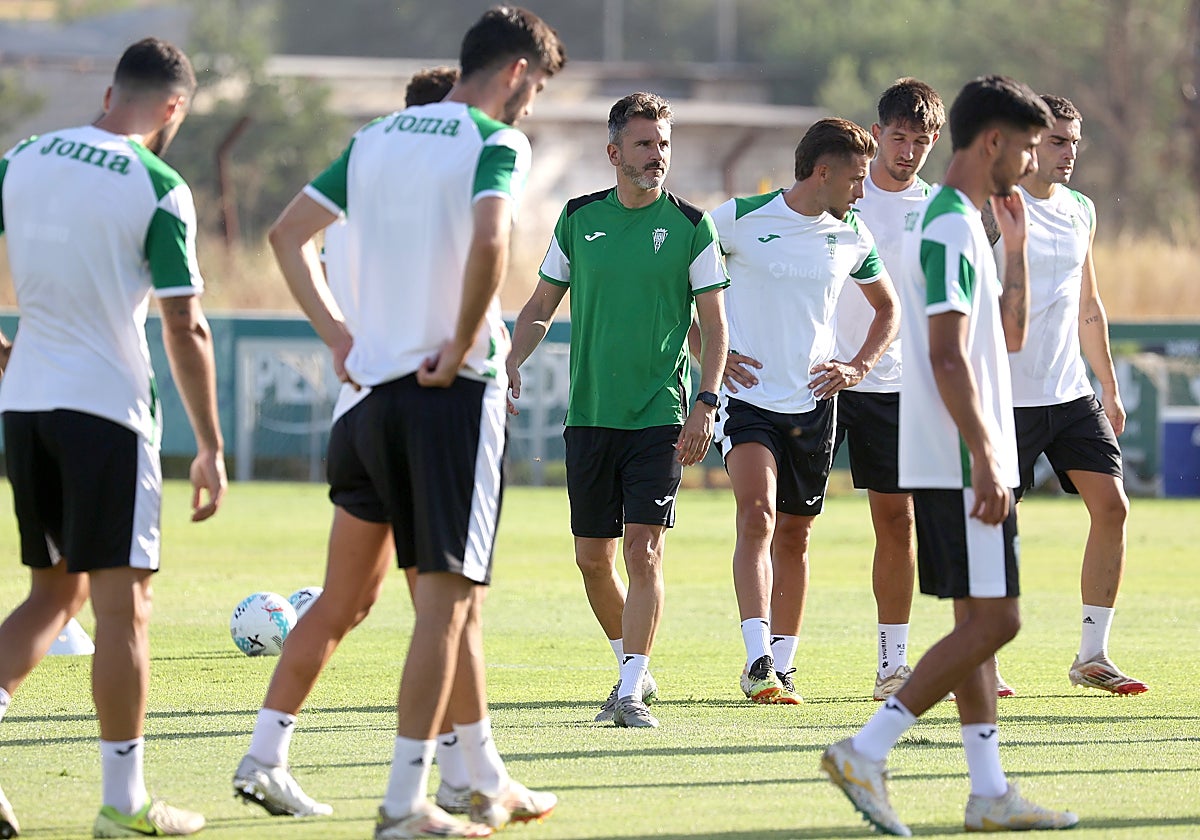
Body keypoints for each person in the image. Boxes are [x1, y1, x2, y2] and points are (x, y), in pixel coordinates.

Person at [232, 8, 566, 839]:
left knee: (374, 600)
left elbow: (287, 236)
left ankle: (481, 779)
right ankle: (401, 804)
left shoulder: (376, 137)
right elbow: (493, 235)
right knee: (445, 608)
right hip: (443, 399)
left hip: (369, 403)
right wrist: (459, 343)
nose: (531, 110)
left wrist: (339, 334)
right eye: (538, 90)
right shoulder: (496, 140)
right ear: (519, 72)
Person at [820, 75, 1079, 836]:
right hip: (959, 461)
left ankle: (988, 791)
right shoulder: (946, 226)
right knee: (997, 623)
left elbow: (1010, 338)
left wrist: (1020, 250)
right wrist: (987, 457)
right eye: (1028, 148)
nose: (1032, 164)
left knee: (978, 624)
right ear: (993, 142)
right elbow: (943, 356)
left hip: (960, 457)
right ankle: (865, 750)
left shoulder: (969, 221)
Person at [0, 37, 225, 838]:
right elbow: (185, 323)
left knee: (53, 596)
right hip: (106, 415)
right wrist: (210, 444)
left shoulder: (22, 156)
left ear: (107, 91)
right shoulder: (158, 184)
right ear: (172, 109)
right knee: (124, 609)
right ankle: (125, 805)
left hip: (23, 405)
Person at [507, 91, 729, 729]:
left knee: (643, 551)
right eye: (642, 144)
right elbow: (540, 306)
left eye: (662, 144)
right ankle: (636, 663)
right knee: (591, 559)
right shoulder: (577, 219)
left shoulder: (693, 226)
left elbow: (714, 329)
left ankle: (628, 689)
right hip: (589, 417)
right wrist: (512, 360)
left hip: (661, 413)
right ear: (613, 153)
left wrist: (706, 404)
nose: (656, 156)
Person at [708, 118, 897, 705]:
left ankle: (784, 664)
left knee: (795, 534)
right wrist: (707, 348)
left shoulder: (852, 236)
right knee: (758, 514)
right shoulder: (735, 219)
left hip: (815, 402)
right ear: (823, 172)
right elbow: (676, 288)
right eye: (856, 179)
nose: (862, 191)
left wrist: (856, 367)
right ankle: (757, 660)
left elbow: (887, 311)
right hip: (746, 400)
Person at [1000, 94, 1147, 695]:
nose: (1069, 154)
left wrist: (1107, 386)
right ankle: (982, 656)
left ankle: (1093, 655)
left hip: (1069, 393)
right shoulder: (994, 208)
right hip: (1003, 397)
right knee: (995, 527)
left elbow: (1088, 305)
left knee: (1113, 507)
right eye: (1058, 141)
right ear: (1030, 143)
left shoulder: (1082, 209)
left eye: (1075, 142)